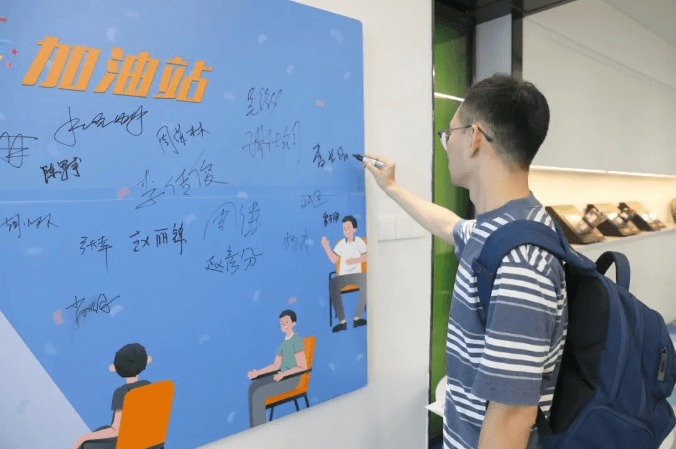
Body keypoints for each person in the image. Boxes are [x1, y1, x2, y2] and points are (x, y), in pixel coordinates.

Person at [363, 74, 567, 449]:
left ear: (474, 137)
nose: (447, 145)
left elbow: (511, 417)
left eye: (449, 134)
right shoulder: (501, 228)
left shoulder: (522, 262)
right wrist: (391, 188)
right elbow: (450, 226)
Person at [73, 343, 152, 449]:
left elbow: (116, 430)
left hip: (128, 443)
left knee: (86, 445)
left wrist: (83, 438)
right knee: (101, 429)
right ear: (147, 360)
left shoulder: (123, 393)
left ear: (114, 368)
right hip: (148, 440)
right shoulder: (149, 385)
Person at [247, 309, 308, 427]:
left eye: (286, 321)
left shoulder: (296, 340)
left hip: (292, 379)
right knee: (253, 387)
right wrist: (258, 373)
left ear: (293, 323)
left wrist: (283, 374)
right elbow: (275, 365)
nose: (284, 324)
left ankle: (260, 428)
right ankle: (254, 428)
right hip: (281, 376)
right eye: (282, 323)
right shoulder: (283, 344)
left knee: (259, 393)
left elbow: (302, 366)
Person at [320, 215, 368, 333]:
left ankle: (357, 318)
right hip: (343, 277)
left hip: (357, 275)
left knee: (366, 281)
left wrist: (354, 261)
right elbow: (333, 259)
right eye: (344, 228)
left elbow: (366, 256)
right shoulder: (341, 243)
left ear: (354, 229)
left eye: (348, 228)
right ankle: (342, 322)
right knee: (333, 284)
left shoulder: (360, 242)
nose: (346, 230)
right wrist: (326, 246)